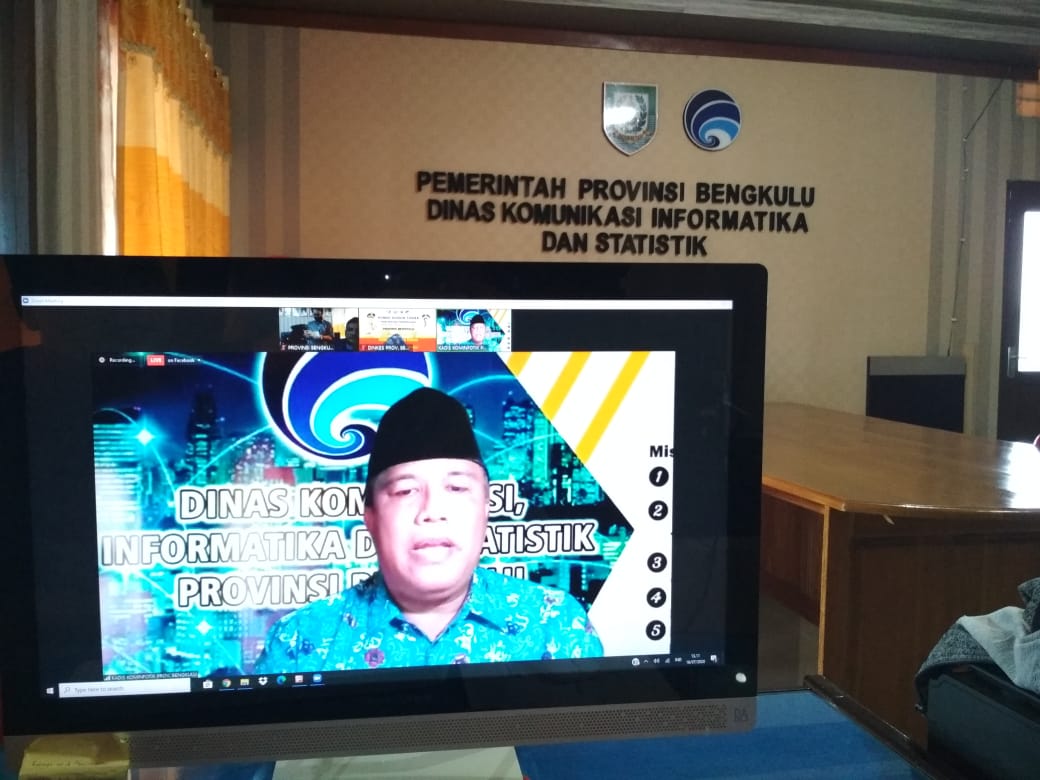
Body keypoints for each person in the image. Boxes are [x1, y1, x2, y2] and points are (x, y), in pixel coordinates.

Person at [255, 387, 602, 672]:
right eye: (405, 491)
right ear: (370, 517)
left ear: (486, 508)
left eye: (457, 488)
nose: (432, 511)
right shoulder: (298, 642)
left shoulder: (556, 624)